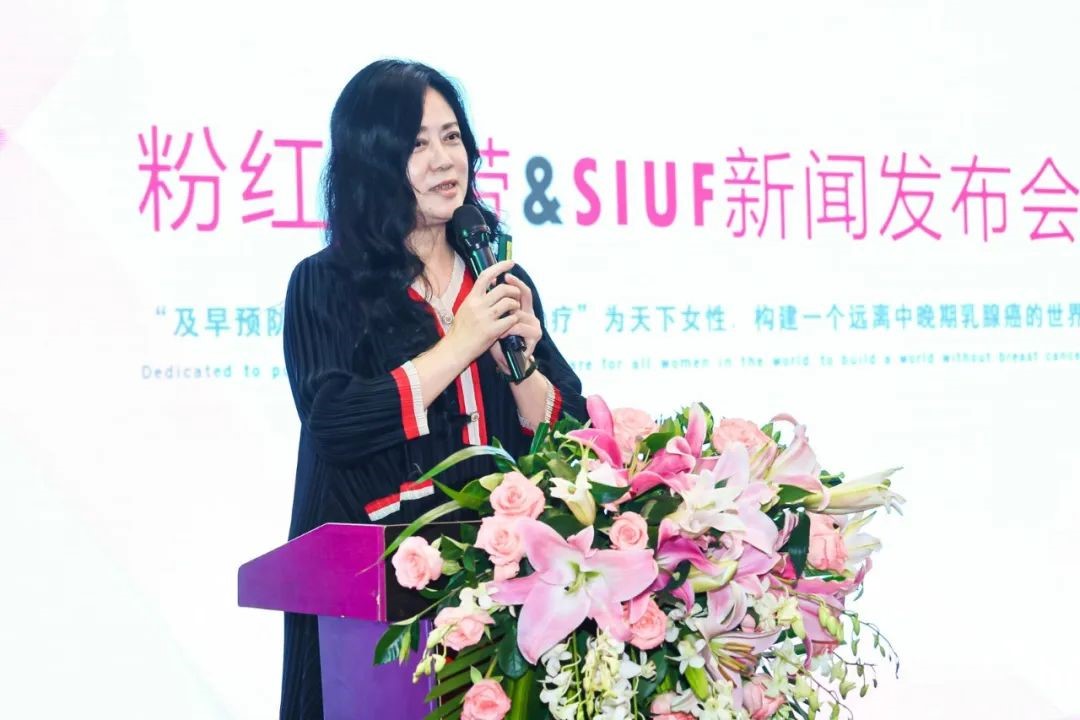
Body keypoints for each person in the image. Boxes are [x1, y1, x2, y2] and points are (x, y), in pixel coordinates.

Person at [278, 58, 587, 719]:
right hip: (370, 606)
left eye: (452, 137)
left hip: (502, 596)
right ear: (372, 162)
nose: (446, 159)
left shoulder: (496, 274)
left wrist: (519, 366)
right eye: (418, 144)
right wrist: (459, 343)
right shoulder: (326, 283)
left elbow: (572, 436)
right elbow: (334, 421)